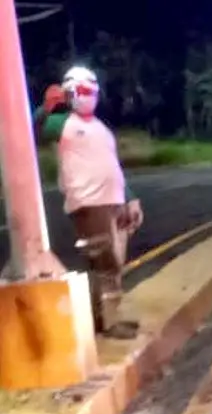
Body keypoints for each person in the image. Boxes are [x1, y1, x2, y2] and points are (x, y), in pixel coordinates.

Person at [34, 66, 143, 339]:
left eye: (92, 91)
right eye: (82, 90)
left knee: (113, 263)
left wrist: (130, 199)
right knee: (105, 262)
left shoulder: (100, 128)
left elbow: (112, 166)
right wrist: (47, 107)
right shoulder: (61, 122)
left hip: (114, 201)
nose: (88, 96)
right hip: (88, 202)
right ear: (70, 92)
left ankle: (104, 317)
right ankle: (109, 323)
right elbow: (34, 129)